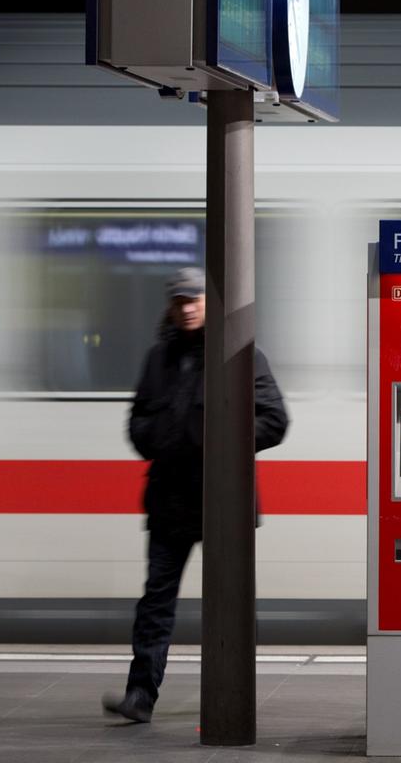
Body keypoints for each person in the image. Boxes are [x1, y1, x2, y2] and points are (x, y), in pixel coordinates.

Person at [103, 267, 289, 723]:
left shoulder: (242, 355)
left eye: (194, 300)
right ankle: (140, 696)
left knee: (231, 603)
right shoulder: (158, 358)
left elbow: (274, 420)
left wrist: (219, 442)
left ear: (211, 304)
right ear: (170, 306)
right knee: (155, 602)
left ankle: (236, 690)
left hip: (224, 499)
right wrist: (164, 440)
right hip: (169, 499)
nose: (186, 309)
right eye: (179, 301)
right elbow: (138, 420)